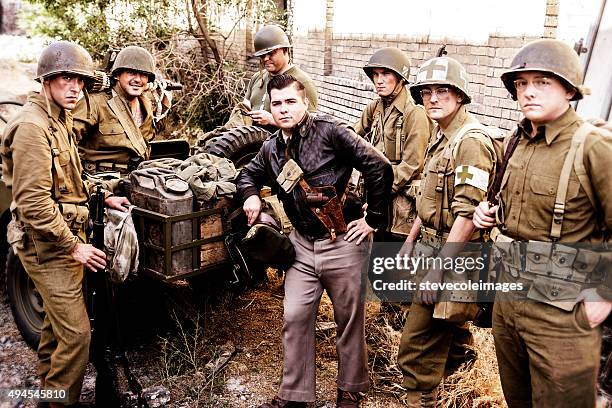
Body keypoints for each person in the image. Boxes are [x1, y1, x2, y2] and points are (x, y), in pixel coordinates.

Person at [236, 74, 392, 408]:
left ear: (305, 102)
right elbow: (247, 174)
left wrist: (373, 221)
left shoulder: (330, 131)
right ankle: (295, 395)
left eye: (290, 101)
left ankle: (350, 391)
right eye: (276, 103)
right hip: (302, 246)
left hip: (343, 242)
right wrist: (250, 196)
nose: (283, 109)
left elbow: (379, 167)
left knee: (349, 319)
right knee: (294, 316)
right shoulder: (271, 148)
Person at [472, 38, 612, 408]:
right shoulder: (515, 141)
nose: (528, 92)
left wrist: (605, 292)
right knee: (518, 398)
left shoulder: (592, 146)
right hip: (509, 297)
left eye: (541, 82)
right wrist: (486, 215)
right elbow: (508, 205)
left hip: (562, 311)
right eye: (521, 84)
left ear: (568, 89)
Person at [1, 41, 129, 406]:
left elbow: (69, 174)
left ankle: (47, 391)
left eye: (79, 81)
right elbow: (34, 203)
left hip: (62, 238)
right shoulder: (31, 128)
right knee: (76, 337)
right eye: (65, 79)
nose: (74, 87)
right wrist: (74, 246)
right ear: (46, 80)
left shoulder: (59, 116)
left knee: (56, 332)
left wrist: (100, 193)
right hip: (47, 246)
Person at [396, 56, 496, 407]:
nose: (432, 98)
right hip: (431, 247)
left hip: (455, 257)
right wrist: (410, 240)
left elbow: (467, 215)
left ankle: (423, 397)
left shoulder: (471, 142)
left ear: (460, 96)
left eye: (442, 91)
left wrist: (439, 271)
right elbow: (432, 198)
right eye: (426, 92)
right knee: (449, 330)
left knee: (415, 349)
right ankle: (463, 388)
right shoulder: (441, 136)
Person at [354, 47, 432, 240]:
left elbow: (412, 165)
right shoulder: (375, 107)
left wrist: (377, 196)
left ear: (400, 77)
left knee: (390, 264)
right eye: (375, 75)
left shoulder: (415, 113)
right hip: (376, 202)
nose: (379, 80)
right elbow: (350, 137)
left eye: (386, 74)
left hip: (400, 211)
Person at [73, 45, 169, 174]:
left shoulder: (147, 104)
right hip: (100, 179)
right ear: (118, 75)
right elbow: (66, 140)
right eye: (131, 73)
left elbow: (155, 132)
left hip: (138, 176)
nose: (138, 79)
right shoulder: (95, 103)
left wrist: (165, 104)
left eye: (143, 75)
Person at [223, 25, 318, 130]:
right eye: (262, 55)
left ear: (285, 50)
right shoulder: (257, 78)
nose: (266, 59)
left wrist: (272, 120)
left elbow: (310, 128)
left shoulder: (303, 82)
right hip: (250, 142)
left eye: (271, 53)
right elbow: (244, 112)